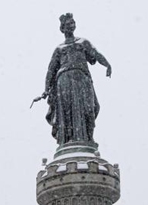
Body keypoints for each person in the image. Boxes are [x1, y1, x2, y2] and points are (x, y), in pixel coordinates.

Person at [42, 13, 112, 146]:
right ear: (63, 28)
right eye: (68, 23)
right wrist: (46, 90)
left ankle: (87, 138)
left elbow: (95, 54)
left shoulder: (83, 43)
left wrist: (107, 64)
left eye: (73, 22)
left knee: (90, 108)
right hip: (65, 81)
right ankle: (69, 140)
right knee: (68, 112)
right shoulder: (59, 49)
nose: (71, 25)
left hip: (82, 79)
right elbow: (50, 70)